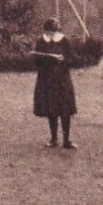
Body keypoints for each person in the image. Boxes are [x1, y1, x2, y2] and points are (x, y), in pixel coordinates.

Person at [31, 18, 78, 149]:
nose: (48, 35)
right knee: (51, 109)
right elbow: (36, 61)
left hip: (62, 80)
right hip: (47, 80)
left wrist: (63, 60)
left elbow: (73, 59)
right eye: (46, 32)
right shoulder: (41, 42)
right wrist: (42, 59)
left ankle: (66, 140)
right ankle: (53, 139)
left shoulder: (64, 41)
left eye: (51, 32)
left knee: (65, 110)